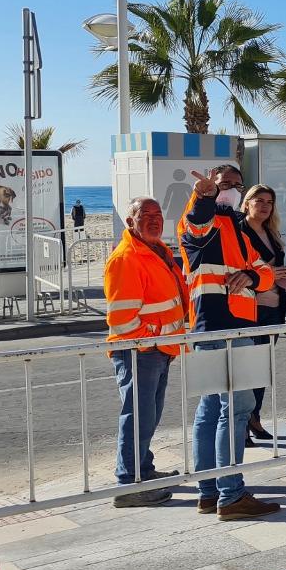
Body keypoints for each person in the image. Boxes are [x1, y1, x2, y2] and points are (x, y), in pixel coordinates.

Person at [181, 165, 280, 521]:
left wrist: (252, 275)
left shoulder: (236, 227)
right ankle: (231, 495)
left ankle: (209, 493)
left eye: (237, 186)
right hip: (219, 328)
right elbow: (196, 225)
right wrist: (204, 196)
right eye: (225, 185)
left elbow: (265, 271)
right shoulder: (202, 217)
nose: (231, 191)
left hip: (232, 326)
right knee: (236, 408)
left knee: (211, 410)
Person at [103, 197, 187, 508]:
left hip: (157, 349)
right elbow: (122, 320)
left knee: (147, 416)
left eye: (157, 214)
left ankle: (143, 470)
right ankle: (128, 484)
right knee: (137, 417)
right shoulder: (126, 258)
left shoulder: (156, 251)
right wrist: (155, 338)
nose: (153, 220)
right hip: (140, 351)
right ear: (130, 222)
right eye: (144, 215)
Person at [239, 184, 286, 448]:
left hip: (273, 307)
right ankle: (242, 425)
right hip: (250, 308)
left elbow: (271, 269)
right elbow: (241, 271)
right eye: (259, 200)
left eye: (269, 202)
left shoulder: (271, 232)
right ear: (247, 202)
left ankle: (254, 417)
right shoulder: (239, 232)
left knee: (262, 370)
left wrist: (282, 275)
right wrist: (273, 274)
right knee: (247, 370)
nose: (264, 206)